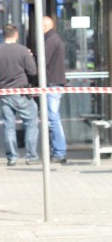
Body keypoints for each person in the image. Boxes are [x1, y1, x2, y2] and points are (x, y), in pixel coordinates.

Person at [0, 24, 39, 166]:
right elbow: (33, 71)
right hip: (22, 92)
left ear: (4, 35)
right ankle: (31, 156)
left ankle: (12, 157)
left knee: (9, 126)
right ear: (16, 34)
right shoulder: (23, 51)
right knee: (31, 123)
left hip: (4, 93)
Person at [43, 16, 67, 164]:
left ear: (45, 26)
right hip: (54, 83)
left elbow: (43, 61)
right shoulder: (54, 38)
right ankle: (58, 150)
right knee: (52, 118)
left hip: (52, 83)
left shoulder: (50, 40)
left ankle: (59, 151)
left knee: (53, 119)